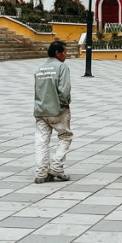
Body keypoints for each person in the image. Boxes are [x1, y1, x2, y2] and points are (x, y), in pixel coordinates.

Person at [33, 40, 73, 183]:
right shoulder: (62, 67)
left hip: (40, 110)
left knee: (41, 141)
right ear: (57, 53)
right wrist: (65, 103)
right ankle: (56, 167)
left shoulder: (40, 68)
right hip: (57, 110)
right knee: (65, 136)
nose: (66, 55)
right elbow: (64, 90)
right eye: (64, 52)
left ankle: (41, 173)